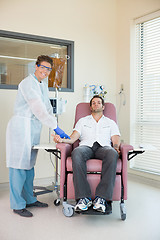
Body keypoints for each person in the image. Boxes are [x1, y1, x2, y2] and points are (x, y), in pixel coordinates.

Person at [6, 55, 69, 217]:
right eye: (43, 67)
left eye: (49, 69)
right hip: (21, 127)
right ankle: (18, 204)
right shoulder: (27, 83)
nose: (46, 71)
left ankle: (29, 199)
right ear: (36, 66)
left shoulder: (42, 84)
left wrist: (56, 127)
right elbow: (38, 108)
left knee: (29, 166)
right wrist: (55, 127)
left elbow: (47, 107)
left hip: (33, 128)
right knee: (18, 166)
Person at [53, 95, 120, 214]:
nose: (96, 104)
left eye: (99, 102)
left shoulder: (110, 122)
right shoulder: (82, 121)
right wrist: (61, 140)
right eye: (93, 103)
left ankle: (101, 198)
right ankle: (84, 198)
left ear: (103, 106)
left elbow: (115, 139)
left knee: (112, 153)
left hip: (103, 148)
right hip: (86, 147)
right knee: (77, 152)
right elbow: (73, 138)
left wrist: (115, 148)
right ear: (90, 107)